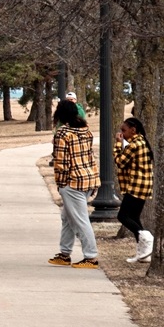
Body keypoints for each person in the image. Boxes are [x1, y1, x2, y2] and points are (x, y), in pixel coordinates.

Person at [48, 99, 100, 269]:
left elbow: (61, 162)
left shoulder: (63, 133)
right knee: (67, 217)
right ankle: (65, 253)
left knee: (80, 219)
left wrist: (60, 184)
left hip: (72, 181)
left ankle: (91, 257)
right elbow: (89, 156)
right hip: (88, 178)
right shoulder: (86, 131)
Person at [114, 117, 155, 263]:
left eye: (124, 130)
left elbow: (120, 162)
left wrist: (117, 144)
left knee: (122, 216)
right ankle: (144, 253)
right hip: (143, 185)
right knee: (134, 217)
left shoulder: (135, 144)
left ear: (133, 130)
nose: (122, 133)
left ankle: (147, 238)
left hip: (137, 186)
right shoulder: (141, 141)